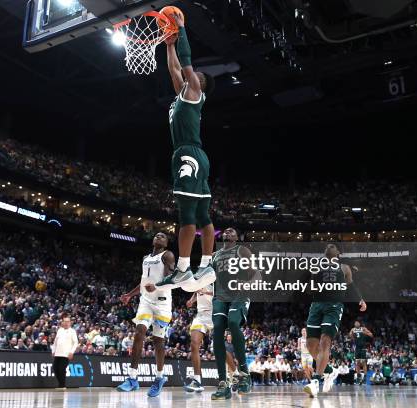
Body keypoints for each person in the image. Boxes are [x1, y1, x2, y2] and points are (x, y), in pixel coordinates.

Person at [155, 11, 216, 292]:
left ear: (200, 84)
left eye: (197, 76)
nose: (194, 74)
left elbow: (187, 64)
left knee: (187, 215)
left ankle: (182, 269)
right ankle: (206, 264)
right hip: (198, 155)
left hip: (188, 154)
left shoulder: (195, 90)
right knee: (203, 215)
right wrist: (169, 44)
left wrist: (180, 30)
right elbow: (175, 69)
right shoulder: (184, 93)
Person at [303, 243, 366, 398]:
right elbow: (311, 286)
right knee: (311, 345)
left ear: (338, 252)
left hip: (334, 306)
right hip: (316, 305)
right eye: (327, 246)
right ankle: (330, 371)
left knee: (325, 341)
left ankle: (316, 382)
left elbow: (351, 286)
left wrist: (360, 299)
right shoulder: (317, 266)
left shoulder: (344, 268)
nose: (329, 246)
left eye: (333, 245)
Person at [117, 233, 175, 397]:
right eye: (157, 235)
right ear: (153, 240)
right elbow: (143, 282)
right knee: (139, 333)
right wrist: (129, 294)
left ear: (166, 243)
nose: (159, 236)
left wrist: (156, 286)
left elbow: (171, 278)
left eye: (163, 236)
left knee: (158, 341)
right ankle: (132, 378)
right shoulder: (145, 258)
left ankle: (159, 377)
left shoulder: (168, 255)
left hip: (163, 303)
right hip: (146, 301)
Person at [210, 228, 257, 400]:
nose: (228, 232)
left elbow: (256, 273)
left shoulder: (241, 250)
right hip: (220, 296)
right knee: (217, 330)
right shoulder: (215, 255)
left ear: (237, 237)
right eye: (226, 231)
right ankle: (223, 383)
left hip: (239, 293)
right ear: (222, 236)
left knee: (233, 322)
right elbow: (207, 278)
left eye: (232, 232)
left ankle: (245, 373)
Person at [183, 283, 213, 392]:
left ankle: (235, 374)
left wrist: (205, 292)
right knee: (194, 344)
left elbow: (221, 294)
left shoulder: (217, 277)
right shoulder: (200, 276)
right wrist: (192, 300)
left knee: (221, 348)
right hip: (201, 315)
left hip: (215, 314)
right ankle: (197, 381)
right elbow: (197, 291)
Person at [51, 314, 78, 390]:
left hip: (66, 354)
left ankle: (62, 385)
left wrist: (71, 352)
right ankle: (60, 384)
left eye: (68, 321)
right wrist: (53, 350)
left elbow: (75, 342)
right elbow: (55, 342)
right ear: (62, 322)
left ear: (70, 323)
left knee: (62, 369)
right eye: (64, 321)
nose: (66, 323)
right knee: (55, 368)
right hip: (58, 353)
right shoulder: (59, 330)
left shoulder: (72, 331)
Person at [349, 321, 373, 385]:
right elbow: (350, 337)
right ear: (354, 324)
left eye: (358, 322)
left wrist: (365, 332)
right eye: (355, 323)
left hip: (363, 347)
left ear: (360, 324)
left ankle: (365, 376)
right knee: (357, 362)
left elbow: (371, 335)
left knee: (363, 362)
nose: (356, 323)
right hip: (357, 347)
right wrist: (351, 335)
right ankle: (358, 376)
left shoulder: (363, 328)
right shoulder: (353, 329)